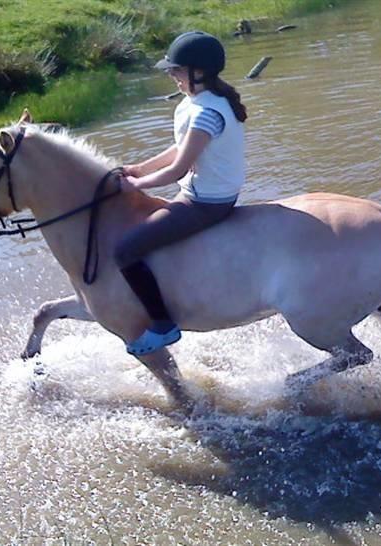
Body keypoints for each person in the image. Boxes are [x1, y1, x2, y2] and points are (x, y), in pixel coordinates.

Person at [115, 30, 248, 356]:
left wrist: (135, 186)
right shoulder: (200, 103)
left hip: (204, 203)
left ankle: (163, 326)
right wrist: (139, 168)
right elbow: (180, 148)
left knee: (124, 251)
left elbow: (177, 169)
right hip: (205, 194)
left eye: (176, 69)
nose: (171, 74)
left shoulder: (206, 113)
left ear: (198, 72)